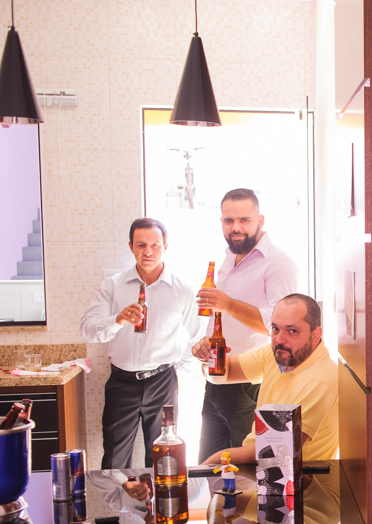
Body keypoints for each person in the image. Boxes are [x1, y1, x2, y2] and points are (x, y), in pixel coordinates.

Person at [81, 218, 204, 469]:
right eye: (141, 245)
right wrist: (118, 320)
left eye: (155, 245)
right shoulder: (113, 285)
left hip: (163, 382)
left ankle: (159, 498)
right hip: (121, 382)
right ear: (130, 246)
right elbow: (87, 330)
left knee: (163, 458)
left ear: (165, 247)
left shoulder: (182, 289)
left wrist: (178, 370)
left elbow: (197, 336)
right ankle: (117, 498)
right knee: (114, 459)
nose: (148, 251)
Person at [191, 188, 299, 462]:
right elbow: (224, 317)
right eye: (229, 220)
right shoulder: (229, 258)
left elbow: (284, 327)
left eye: (244, 220)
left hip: (250, 383)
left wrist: (227, 303)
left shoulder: (279, 264)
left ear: (260, 220)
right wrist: (207, 341)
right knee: (209, 467)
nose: (236, 227)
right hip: (216, 378)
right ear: (221, 222)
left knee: (252, 470)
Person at [201, 294, 338, 464]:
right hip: (265, 469)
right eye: (275, 329)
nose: (280, 340)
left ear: (315, 335)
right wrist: (209, 359)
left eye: (292, 331)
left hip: (296, 477)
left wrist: (213, 461)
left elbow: (275, 451)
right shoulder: (277, 354)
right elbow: (223, 374)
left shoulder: (317, 380)